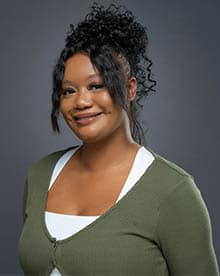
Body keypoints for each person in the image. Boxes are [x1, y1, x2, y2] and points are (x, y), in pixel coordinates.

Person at [18, 2, 219, 275]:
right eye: (68, 91)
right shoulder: (40, 175)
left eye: (96, 86)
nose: (81, 101)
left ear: (130, 88)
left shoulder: (173, 191)